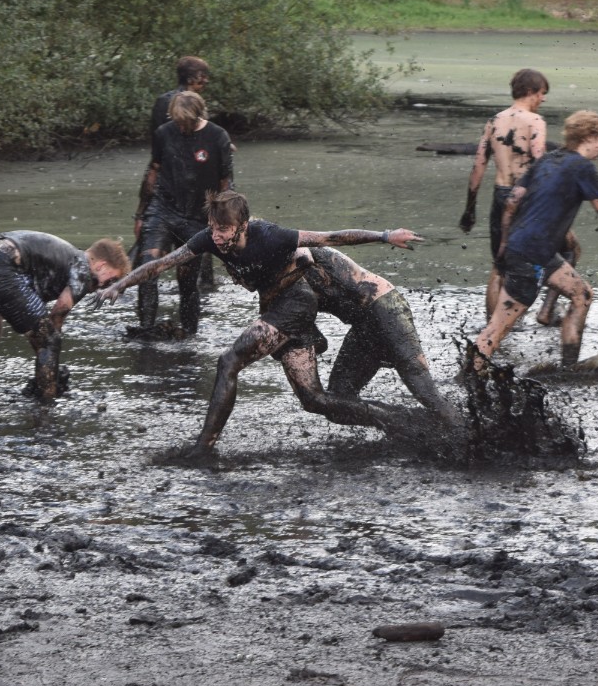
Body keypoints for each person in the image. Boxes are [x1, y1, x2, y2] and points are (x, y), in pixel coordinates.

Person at [95, 191, 451, 459]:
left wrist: (386, 235)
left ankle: (464, 437)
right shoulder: (212, 240)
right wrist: (118, 285)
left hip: (381, 306)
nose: (216, 236)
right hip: (358, 326)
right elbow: (165, 263)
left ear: (243, 226)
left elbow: (331, 237)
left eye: (224, 229)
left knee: (421, 385)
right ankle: (413, 429)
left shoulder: (271, 236)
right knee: (331, 402)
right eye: (213, 229)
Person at [472, 111, 598, 371]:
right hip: (531, 255)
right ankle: (467, 377)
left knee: (581, 295)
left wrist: (505, 246)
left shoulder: (547, 160)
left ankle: (568, 370)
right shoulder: (584, 168)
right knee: (498, 328)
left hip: (532, 250)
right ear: (589, 136)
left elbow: (512, 202)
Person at [0, 231, 128, 402]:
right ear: (101, 266)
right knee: (50, 340)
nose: (105, 287)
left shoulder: (67, 257)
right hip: (1, 267)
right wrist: (51, 366)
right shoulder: (83, 268)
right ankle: (46, 412)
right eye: (111, 280)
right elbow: (58, 313)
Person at [131, 91, 233, 338]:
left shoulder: (217, 136)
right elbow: (152, 173)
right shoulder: (164, 133)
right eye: (176, 121)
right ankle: (146, 331)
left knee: (187, 280)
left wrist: (222, 222)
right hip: (163, 210)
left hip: (197, 216)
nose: (181, 127)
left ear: (198, 115)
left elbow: (226, 184)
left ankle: (189, 335)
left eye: (185, 122)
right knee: (147, 269)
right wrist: (140, 214)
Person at [460, 68, 550, 316]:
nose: (543, 99)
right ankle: (539, 311)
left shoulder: (494, 121)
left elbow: (478, 166)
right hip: (525, 198)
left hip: (500, 194)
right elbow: (539, 163)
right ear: (530, 92)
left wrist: (469, 209)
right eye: (542, 93)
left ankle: (491, 328)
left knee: (499, 267)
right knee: (543, 257)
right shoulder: (535, 122)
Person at [149, 56, 221, 292]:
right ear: (192, 79)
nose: (206, 80)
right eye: (203, 76)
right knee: (198, 226)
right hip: (181, 177)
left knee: (192, 227)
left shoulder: (171, 101)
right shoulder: (174, 103)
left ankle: (199, 280)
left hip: (175, 176)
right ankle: (202, 281)